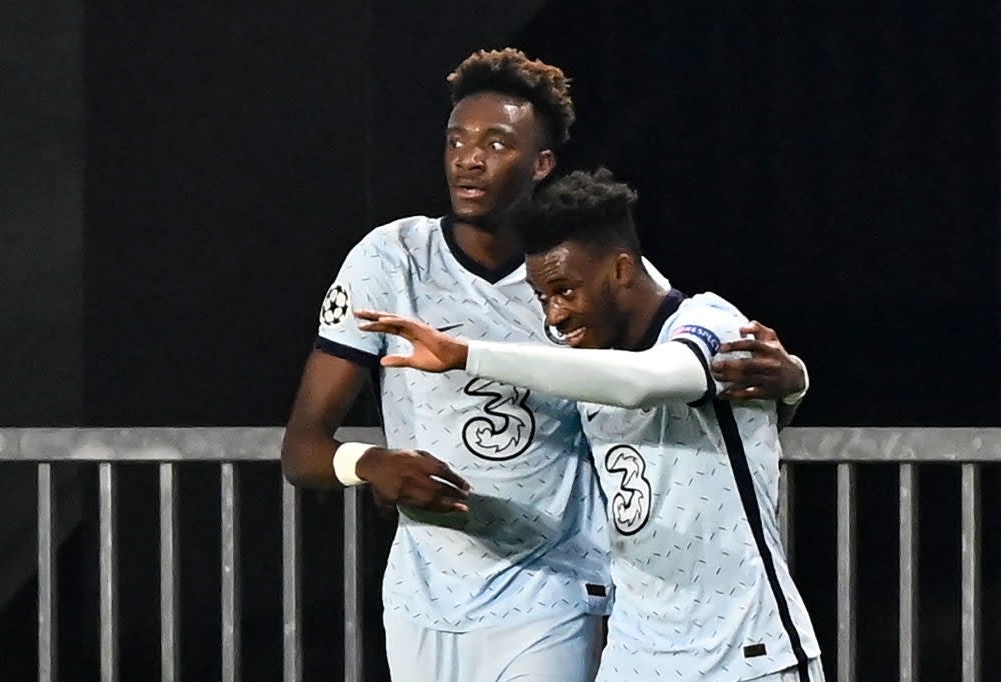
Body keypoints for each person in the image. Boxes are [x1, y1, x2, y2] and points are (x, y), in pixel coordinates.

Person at [282, 48, 808, 682]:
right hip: (426, 598)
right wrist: (366, 463)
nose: (469, 159)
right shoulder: (389, 261)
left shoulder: (597, 279)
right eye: (456, 140)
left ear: (542, 163)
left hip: (559, 594)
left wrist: (793, 378)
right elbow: (302, 447)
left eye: (497, 143)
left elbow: (672, 361)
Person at [356, 168, 824, 682]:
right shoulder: (589, 364)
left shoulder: (711, 323)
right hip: (635, 658)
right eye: (541, 297)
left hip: (745, 657)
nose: (553, 315)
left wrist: (465, 354)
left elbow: (647, 382)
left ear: (622, 269)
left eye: (564, 290)